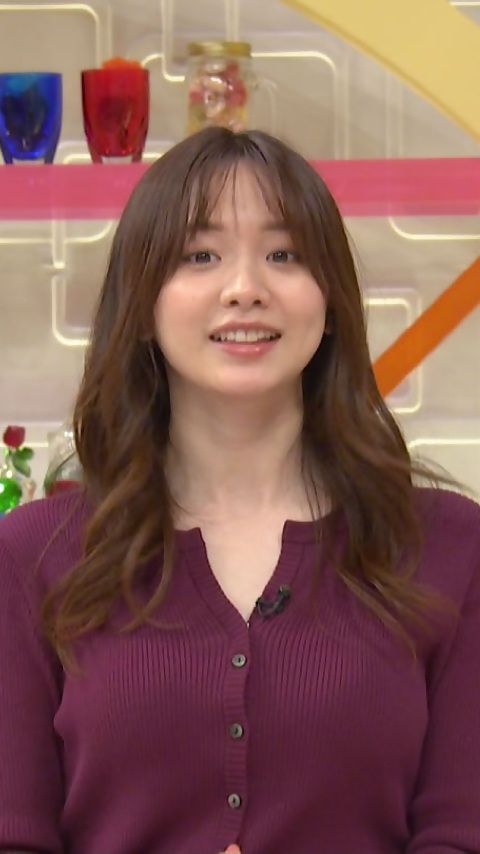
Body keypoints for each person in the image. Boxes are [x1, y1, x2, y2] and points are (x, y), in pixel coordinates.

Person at [0, 126, 479, 854]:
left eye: (285, 255)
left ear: (330, 299)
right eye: (201, 256)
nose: (245, 288)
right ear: (142, 302)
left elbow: (461, 832)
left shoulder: (451, 546)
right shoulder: (32, 556)